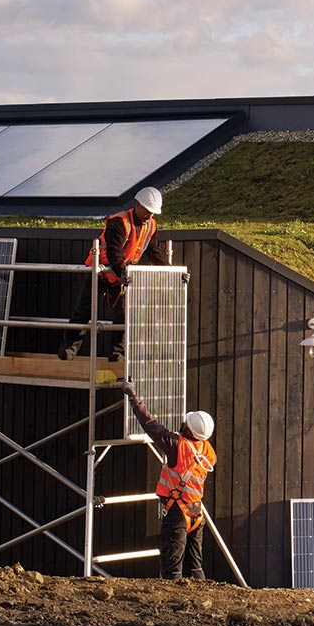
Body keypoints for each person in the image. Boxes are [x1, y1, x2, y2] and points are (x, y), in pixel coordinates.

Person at [120, 378, 216, 581]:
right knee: (195, 565)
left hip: (177, 514)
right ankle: (201, 599)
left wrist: (133, 397)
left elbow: (151, 426)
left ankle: (172, 607)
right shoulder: (207, 450)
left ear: (189, 430)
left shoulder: (177, 446)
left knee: (171, 567)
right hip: (197, 513)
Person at [60, 187, 170, 360]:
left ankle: (117, 355)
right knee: (84, 310)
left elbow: (155, 252)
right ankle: (68, 350)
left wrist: (173, 273)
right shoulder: (119, 222)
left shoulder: (151, 226)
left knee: (123, 314)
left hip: (121, 273)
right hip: (100, 270)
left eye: (153, 213)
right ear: (138, 205)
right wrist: (123, 273)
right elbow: (113, 252)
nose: (150, 216)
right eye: (148, 211)